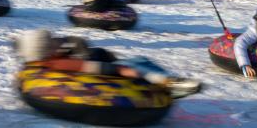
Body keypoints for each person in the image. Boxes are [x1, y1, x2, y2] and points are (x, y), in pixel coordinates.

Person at [16, 29, 201, 99]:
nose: (57, 42)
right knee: (137, 63)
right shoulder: (59, 63)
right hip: (107, 73)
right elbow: (95, 68)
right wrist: (123, 70)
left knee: (136, 61)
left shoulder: (51, 56)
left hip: (98, 58)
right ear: (46, 51)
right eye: (53, 42)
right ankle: (168, 83)